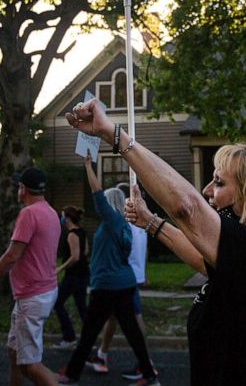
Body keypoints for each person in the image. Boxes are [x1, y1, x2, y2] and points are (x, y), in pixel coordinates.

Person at [68, 98, 246, 385]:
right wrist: (151, 222)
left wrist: (112, 133)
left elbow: (187, 207)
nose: (208, 190)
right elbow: (201, 259)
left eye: (219, 183)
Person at [57, 157, 157, 385]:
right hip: (123, 283)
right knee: (130, 332)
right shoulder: (120, 225)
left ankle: (72, 373)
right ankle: (149, 375)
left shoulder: (113, 221)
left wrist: (87, 167)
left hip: (108, 285)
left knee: (90, 332)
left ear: (110, 204)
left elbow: (97, 192)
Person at [0, 167, 61, 386]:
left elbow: (12, 256)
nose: (17, 190)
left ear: (23, 189)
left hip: (33, 296)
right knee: (14, 352)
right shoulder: (50, 212)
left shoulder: (29, 213)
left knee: (28, 364)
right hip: (42, 292)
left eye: (18, 186)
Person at [95, 182, 150, 380]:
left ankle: (145, 364)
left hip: (123, 279)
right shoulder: (139, 225)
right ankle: (102, 354)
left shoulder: (124, 225)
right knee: (112, 317)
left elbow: (123, 252)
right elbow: (142, 251)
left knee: (135, 318)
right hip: (132, 276)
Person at [53, 206, 88, 351]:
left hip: (74, 276)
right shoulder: (82, 232)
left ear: (67, 218)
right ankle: (88, 339)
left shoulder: (72, 234)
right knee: (81, 307)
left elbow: (75, 256)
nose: (61, 219)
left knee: (58, 302)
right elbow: (86, 251)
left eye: (62, 216)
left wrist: (60, 268)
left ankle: (69, 337)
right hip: (83, 274)